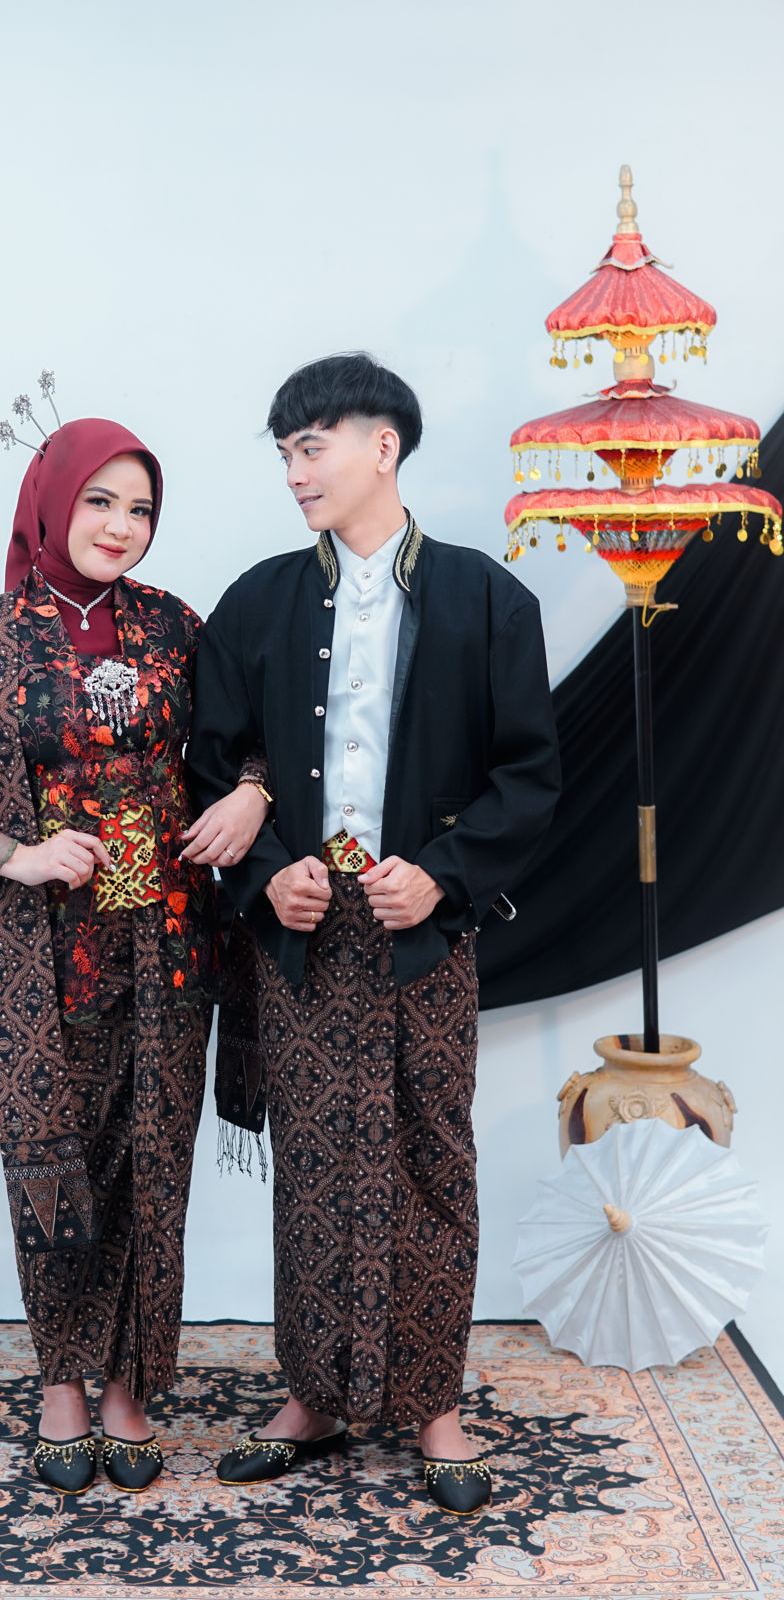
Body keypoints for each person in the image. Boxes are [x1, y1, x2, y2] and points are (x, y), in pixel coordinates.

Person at [186, 354, 561, 1516]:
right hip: (301, 931)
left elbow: (529, 775)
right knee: (312, 1161)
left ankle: (433, 1402)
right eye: (285, 452)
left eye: (313, 445)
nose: (295, 471)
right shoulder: (257, 601)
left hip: (422, 932)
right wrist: (265, 875)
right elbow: (211, 764)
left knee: (430, 1155)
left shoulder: (489, 600)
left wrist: (443, 875)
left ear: (382, 445)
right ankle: (313, 1394)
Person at [0, 417, 266, 1496]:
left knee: (155, 1163)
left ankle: (132, 1384)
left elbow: (246, 740)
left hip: (170, 942)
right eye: (100, 500)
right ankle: (62, 1380)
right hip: (41, 953)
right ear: (51, 502)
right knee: (51, 1162)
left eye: (140, 507)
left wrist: (251, 791)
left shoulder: (178, 626)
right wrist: (14, 853)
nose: (121, 525)